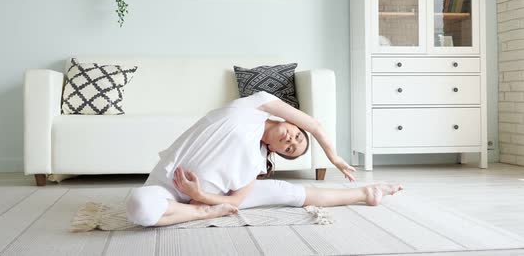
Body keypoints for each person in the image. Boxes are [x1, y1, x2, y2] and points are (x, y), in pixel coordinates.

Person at [126, 91, 403, 227]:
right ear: (290, 122)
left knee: (289, 192)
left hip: (208, 196)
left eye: (291, 149)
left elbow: (234, 201)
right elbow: (315, 125)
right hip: (168, 185)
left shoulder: (257, 163)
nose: (291, 141)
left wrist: (200, 195)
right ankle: (196, 212)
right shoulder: (256, 104)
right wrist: (336, 157)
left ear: (277, 152)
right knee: (139, 207)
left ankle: (367, 192)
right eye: (296, 136)